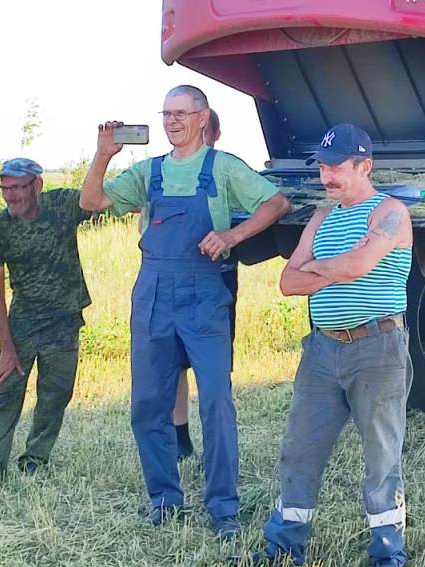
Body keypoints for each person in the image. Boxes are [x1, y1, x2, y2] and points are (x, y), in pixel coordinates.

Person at [80, 85, 290, 537]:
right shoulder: (150, 173)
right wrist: (103, 155)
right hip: (153, 291)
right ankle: (164, 499)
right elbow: (91, 203)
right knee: (147, 405)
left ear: (201, 118)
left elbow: (277, 203)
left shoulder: (224, 166)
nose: (172, 121)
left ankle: (223, 509)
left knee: (216, 402)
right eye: (166, 114)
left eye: (181, 113)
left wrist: (233, 237)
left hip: (204, 293)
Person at [260, 123, 414, 567]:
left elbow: (359, 265)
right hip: (323, 349)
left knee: (381, 455)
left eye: (336, 167)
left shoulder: (389, 213)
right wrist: (336, 269)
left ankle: (388, 554)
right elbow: (288, 283)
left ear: (364, 166)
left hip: (376, 347)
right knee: (300, 449)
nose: (327, 177)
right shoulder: (322, 218)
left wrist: (319, 269)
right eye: (323, 167)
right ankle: (284, 547)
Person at [0, 158, 93, 494]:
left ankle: (35, 459)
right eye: (5, 189)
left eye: (18, 188)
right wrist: (8, 348)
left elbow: (94, 198)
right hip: (22, 323)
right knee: (4, 394)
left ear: (37, 186)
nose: (11, 196)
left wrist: (105, 152)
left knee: (56, 394)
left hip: (64, 319)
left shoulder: (61, 205)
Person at [173, 109, 239, 460]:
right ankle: (180, 438)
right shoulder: (165, 172)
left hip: (217, 281)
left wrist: (232, 235)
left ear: (213, 133)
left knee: (216, 367)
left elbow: (264, 209)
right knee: (174, 365)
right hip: (171, 283)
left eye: (206, 137)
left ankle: (219, 440)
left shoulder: (227, 171)